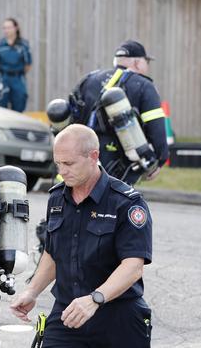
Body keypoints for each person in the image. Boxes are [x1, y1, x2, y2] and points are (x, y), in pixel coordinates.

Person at [10, 124, 153, 348]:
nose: (62, 171)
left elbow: (133, 266)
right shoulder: (57, 198)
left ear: (93, 156)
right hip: (68, 314)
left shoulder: (126, 202)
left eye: (68, 163)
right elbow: (53, 252)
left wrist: (94, 299)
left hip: (117, 316)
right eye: (58, 164)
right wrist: (32, 291)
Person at [71, 40, 168, 185]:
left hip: (84, 157)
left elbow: (73, 115)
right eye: (146, 61)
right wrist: (160, 159)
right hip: (119, 166)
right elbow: (156, 127)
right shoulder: (144, 86)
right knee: (114, 203)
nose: (147, 66)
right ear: (137, 63)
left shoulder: (89, 80)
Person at [0, 18, 32, 112]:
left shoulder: (23, 45)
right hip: (2, 78)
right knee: (0, 105)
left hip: (17, 79)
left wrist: (17, 73)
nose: (6, 30)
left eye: (9, 27)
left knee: (19, 103)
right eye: (4, 28)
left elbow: (28, 65)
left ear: (16, 28)